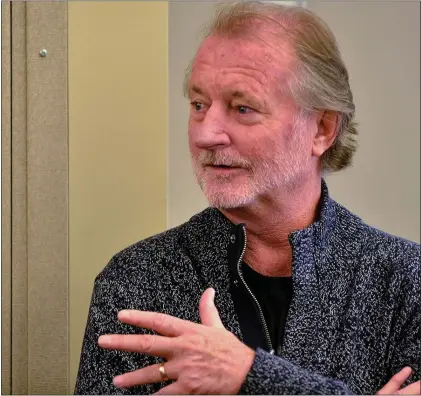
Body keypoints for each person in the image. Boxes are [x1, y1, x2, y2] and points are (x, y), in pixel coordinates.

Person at [74, 1, 420, 395]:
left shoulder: (407, 282)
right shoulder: (135, 281)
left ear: (321, 129)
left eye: (243, 108)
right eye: (199, 105)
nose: (206, 134)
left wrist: (246, 375)